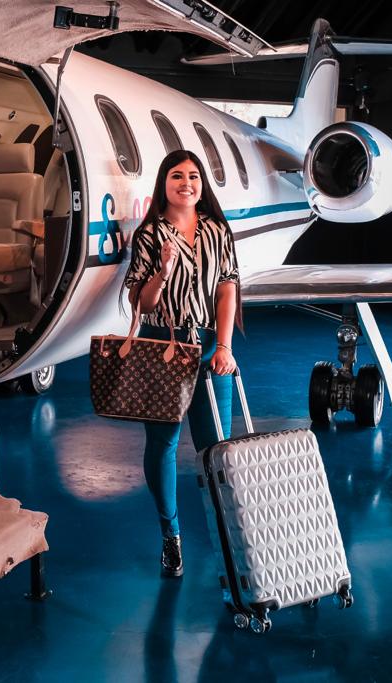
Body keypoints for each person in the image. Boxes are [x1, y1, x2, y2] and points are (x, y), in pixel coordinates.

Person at [124, 149, 241, 578]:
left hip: (210, 347)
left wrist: (224, 346)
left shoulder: (217, 231)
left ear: (201, 185)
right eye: (177, 176)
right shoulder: (149, 235)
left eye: (193, 176)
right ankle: (170, 535)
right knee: (164, 444)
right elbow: (141, 302)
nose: (186, 183)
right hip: (163, 344)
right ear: (164, 184)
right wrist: (163, 272)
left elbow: (227, 288)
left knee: (216, 447)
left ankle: (228, 533)